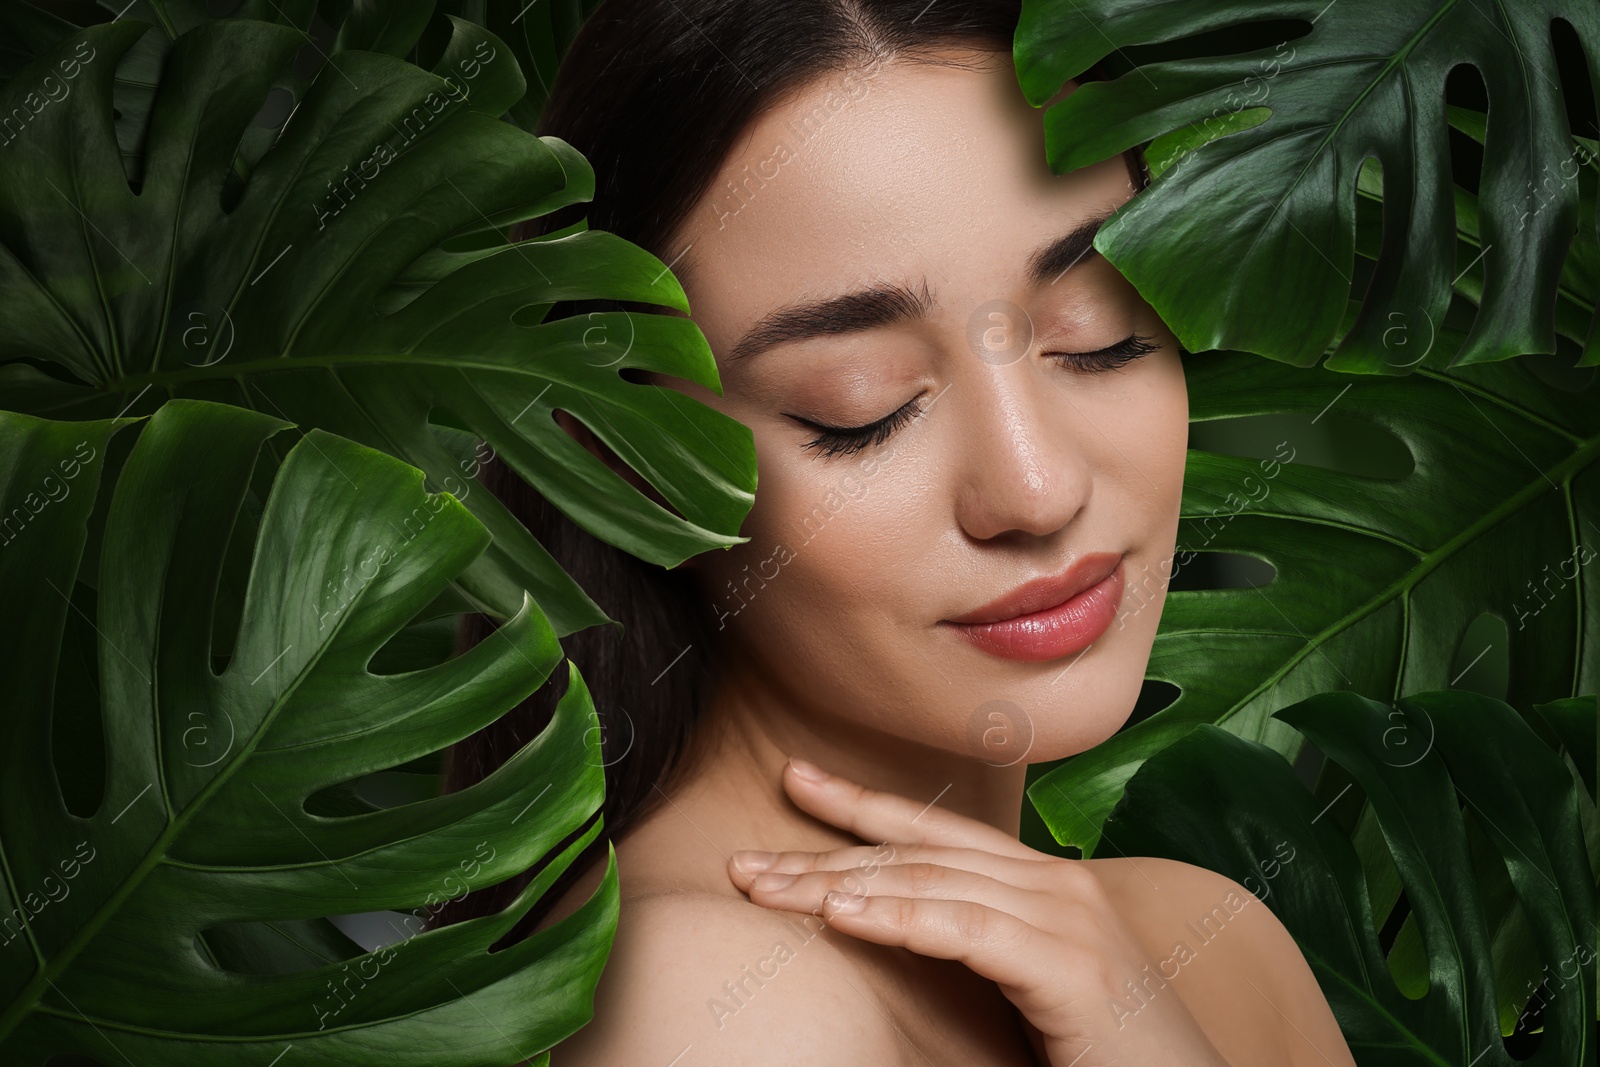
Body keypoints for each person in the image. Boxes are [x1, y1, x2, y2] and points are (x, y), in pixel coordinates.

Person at [435, 1, 1358, 1063]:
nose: (1036, 485)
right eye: (860, 405)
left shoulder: (1194, 944)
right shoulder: (711, 1006)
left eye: (1099, 330)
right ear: (616, 445)